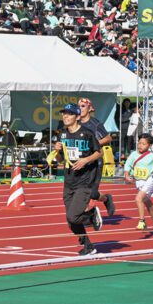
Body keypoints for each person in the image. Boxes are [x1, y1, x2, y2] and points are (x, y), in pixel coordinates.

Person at [52, 103, 104, 256]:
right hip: (69, 181)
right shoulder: (62, 134)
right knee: (71, 221)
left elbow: (99, 152)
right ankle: (88, 246)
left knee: (73, 217)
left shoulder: (87, 133)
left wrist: (85, 160)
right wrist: (57, 151)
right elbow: (61, 159)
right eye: (64, 113)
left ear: (77, 117)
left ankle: (91, 214)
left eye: (69, 114)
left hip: (85, 181)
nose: (65, 116)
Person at [122, 133, 153, 235]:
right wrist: (126, 175)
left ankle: (142, 221)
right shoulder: (133, 154)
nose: (140, 145)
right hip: (138, 182)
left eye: (143, 144)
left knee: (138, 199)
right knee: (148, 204)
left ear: (149, 146)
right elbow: (128, 165)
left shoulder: (152, 156)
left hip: (149, 181)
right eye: (139, 143)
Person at [78, 97, 116, 217]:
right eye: (79, 106)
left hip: (95, 161)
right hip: (81, 161)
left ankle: (106, 199)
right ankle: (86, 215)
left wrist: (94, 143)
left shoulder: (95, 123)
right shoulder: (75, 123)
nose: (80, 108)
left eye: (83, 106)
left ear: (90, 108)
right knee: (81, 191)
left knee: (93, 193)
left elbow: (108, 138)